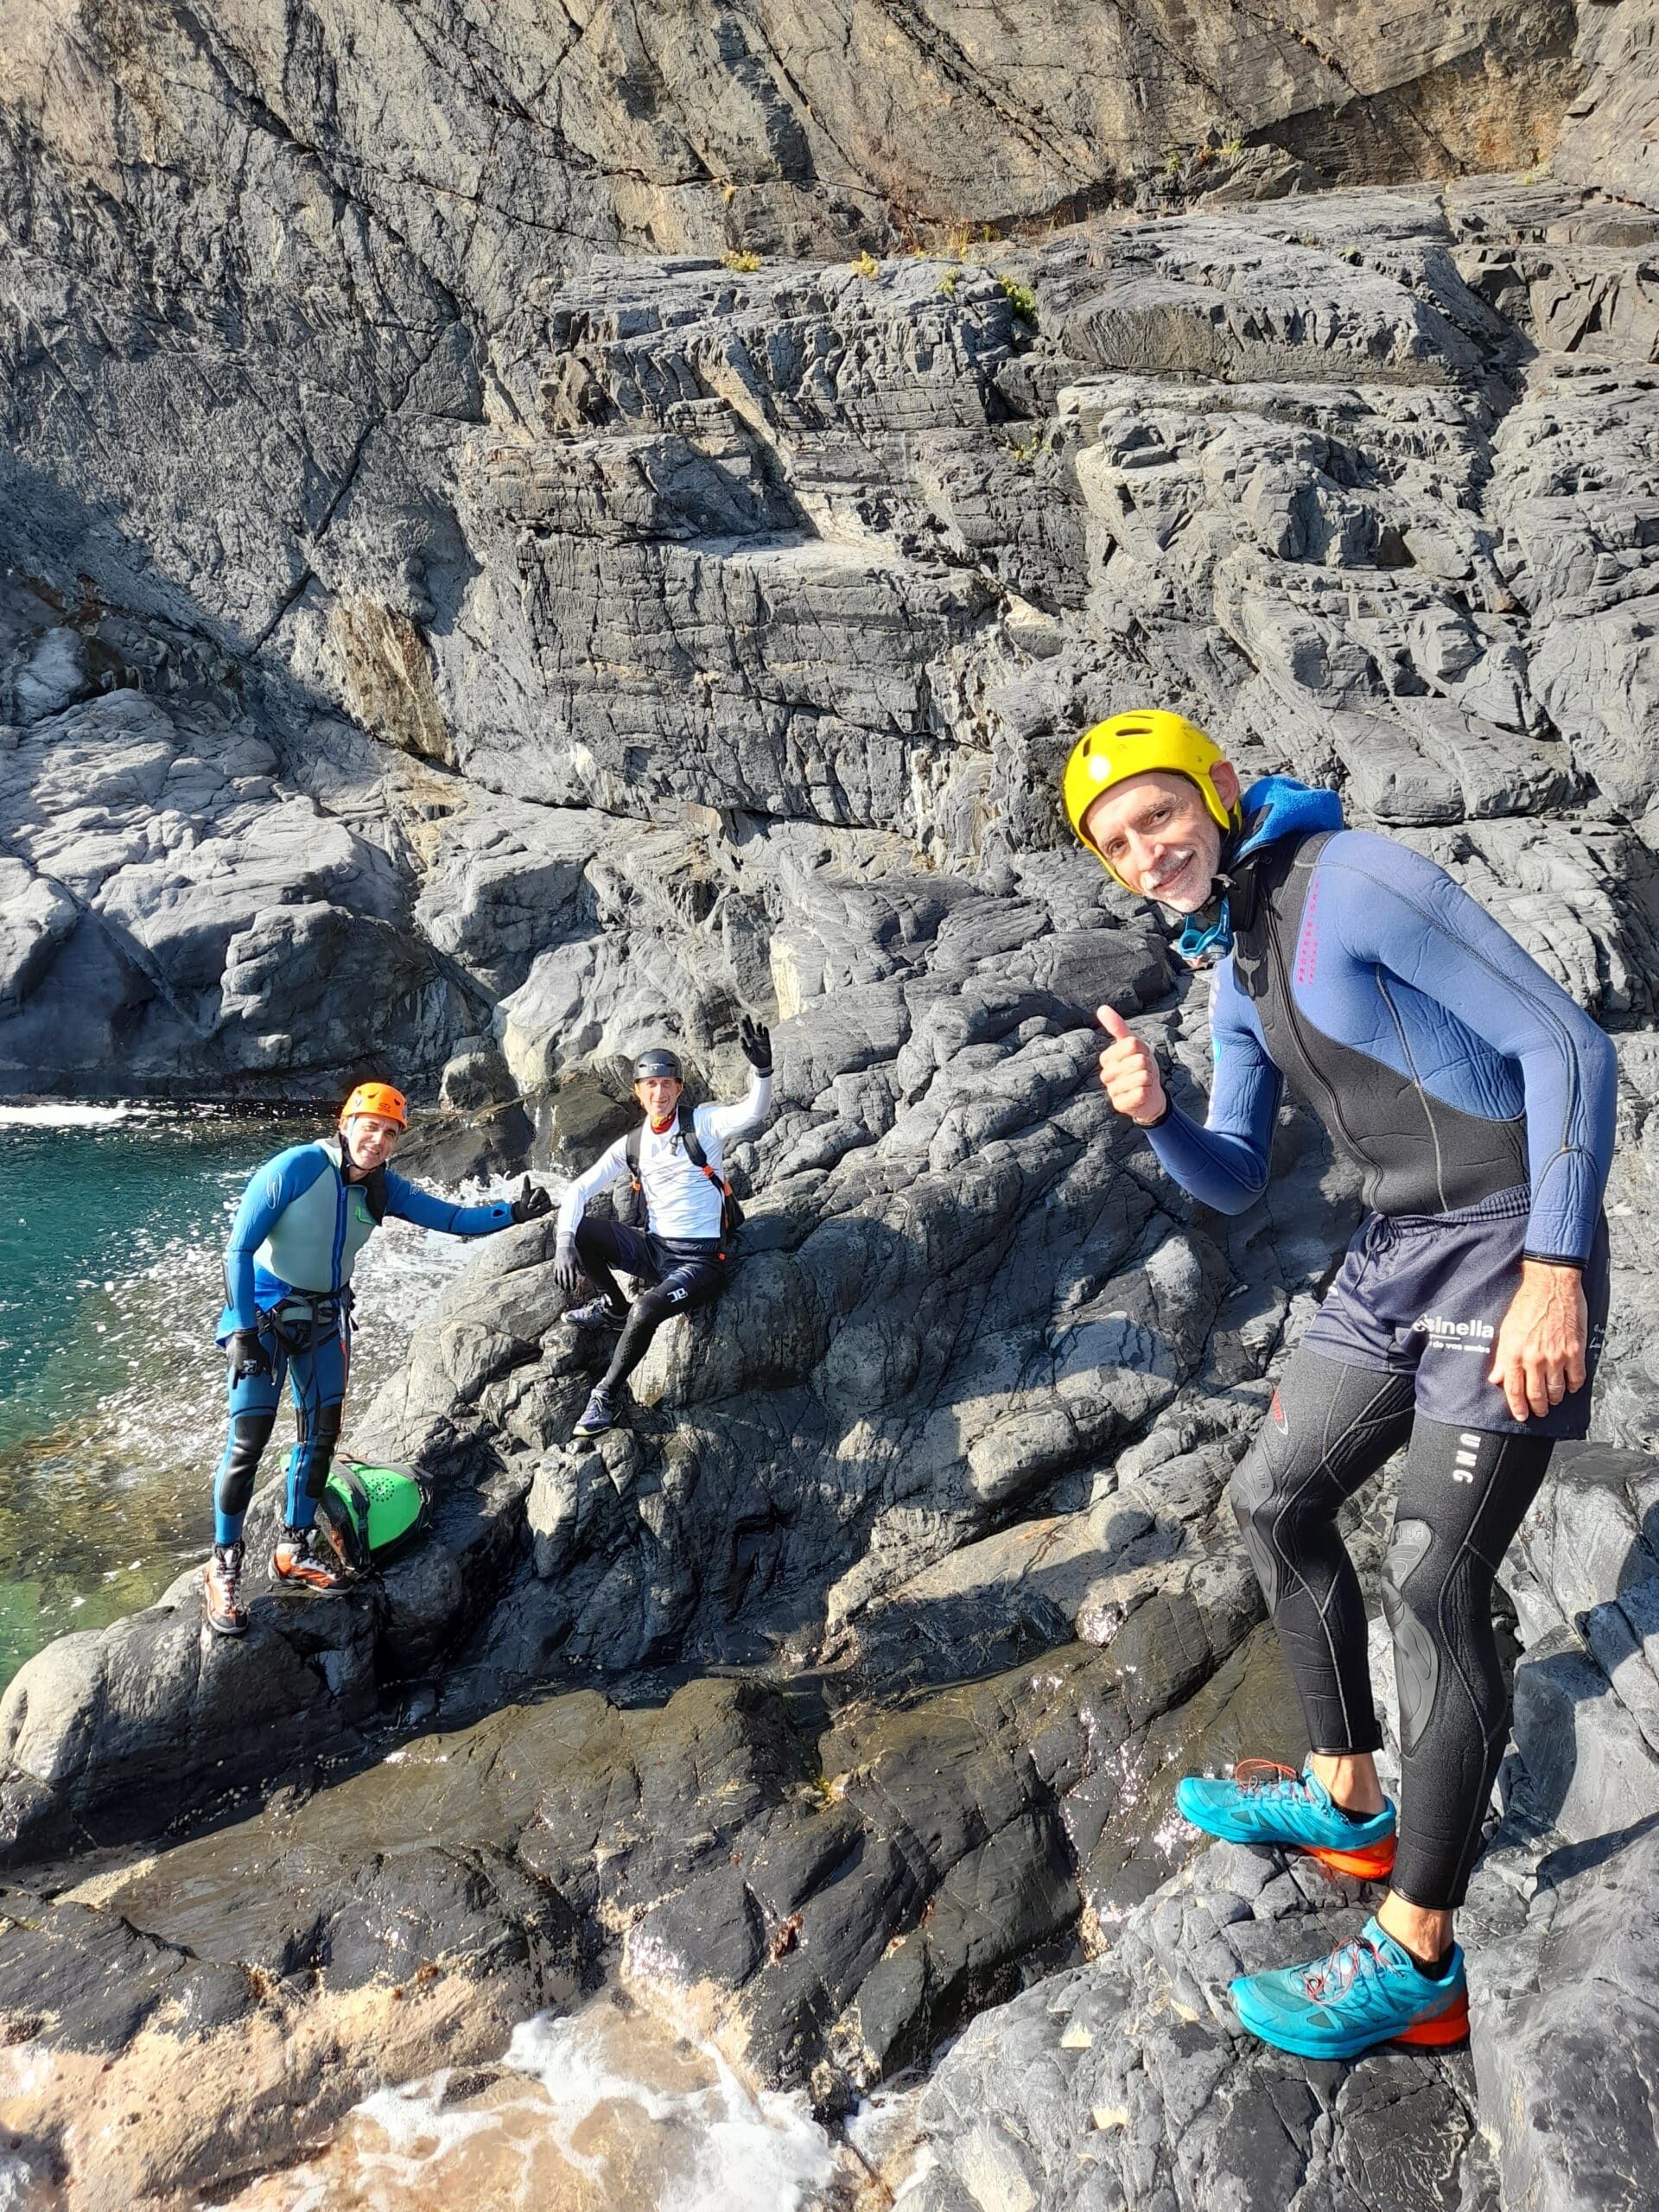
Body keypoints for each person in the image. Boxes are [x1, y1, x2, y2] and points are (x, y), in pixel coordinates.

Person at [1064, 709, 1616, 2060]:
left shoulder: (1361, 882)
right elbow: (1240, 1180)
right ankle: (1349, 1790)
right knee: (1273, 1500)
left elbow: (1570, 1051)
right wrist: (1159, 1121)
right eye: (1117, 842)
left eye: (1161, 816)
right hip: (1394, 1259)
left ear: (1221, 790)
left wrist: (1557, 1270)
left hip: (1504, 1246)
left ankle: (1421, 1956)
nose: (1147, 851)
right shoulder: (1234, 963)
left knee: (1436, 1586)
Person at [203, 1080, 551, 1637]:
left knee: (319, 1439)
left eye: (390, 1134)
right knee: (248, 1442)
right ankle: (223, 1566)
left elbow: (455, 1221)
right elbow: (238, 1249)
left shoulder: (384, 1189)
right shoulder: (296, 1168)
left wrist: (512, 1212)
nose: (379, 1140)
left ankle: (292, 1549)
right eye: (371, 1127)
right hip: (266, 1319)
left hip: (323, 1323)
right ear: (346, 1124)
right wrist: (241, 1329)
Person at [553, 1019, 774, 1438]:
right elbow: (580, 1188)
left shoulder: (703, 1124)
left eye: (667, 1084)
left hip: (702, 1263)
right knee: (582, 1231)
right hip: (655, 1251)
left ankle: (605, 1396)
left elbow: (753, 1112)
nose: (660, 1093)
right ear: (638, 1093)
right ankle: (612, 1307)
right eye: (650, 1085)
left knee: (648, 1310)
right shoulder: (633, 1144)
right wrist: (564, 1240)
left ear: (680, 1087)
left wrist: (762, 1072)